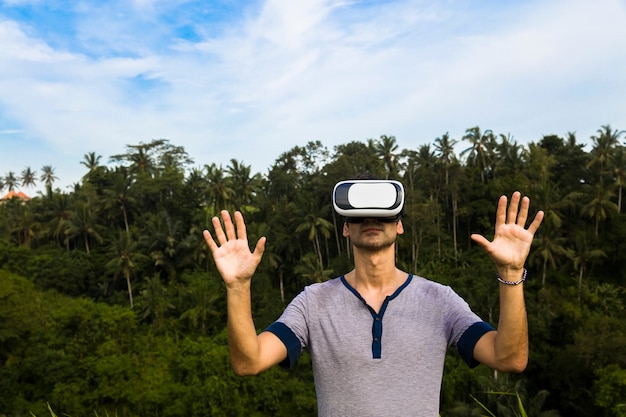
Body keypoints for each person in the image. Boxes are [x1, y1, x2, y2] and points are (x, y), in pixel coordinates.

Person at [202, 183, 544, 417]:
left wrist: (512, 273)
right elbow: (249, 362)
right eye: (359, 215)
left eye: (383, 214)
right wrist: (237, 287)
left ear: (399, 226)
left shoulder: (440, 300)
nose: (371, 220)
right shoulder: (313, 303)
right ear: (345, 228)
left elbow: (509, 359)